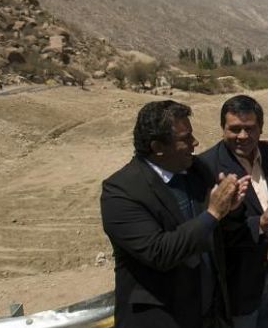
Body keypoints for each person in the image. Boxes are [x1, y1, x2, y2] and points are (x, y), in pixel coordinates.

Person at [101, 100, 249, 328]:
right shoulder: (121, 192)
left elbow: (217, 232)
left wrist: (231, 210)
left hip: (210, 315)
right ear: (157, 147)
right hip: (163, 319)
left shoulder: (196, 170)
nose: (195, 143)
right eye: (185, 139)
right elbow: (160, 253)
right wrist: (213, 213)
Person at [199, 95, 268, 328]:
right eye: (234, 129)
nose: (242, 136)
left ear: (261, 128)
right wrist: (260, 224)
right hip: (239, 283)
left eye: (250, 129)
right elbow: (210, 228)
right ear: (222, 128)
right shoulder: (206, 166)